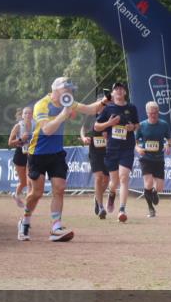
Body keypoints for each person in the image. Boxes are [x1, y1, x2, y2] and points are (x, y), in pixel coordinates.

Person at [19, 77, 108, 241]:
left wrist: (104, 101)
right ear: (56, 90)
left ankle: (56, 227)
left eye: (71, 90)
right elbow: (46, 130)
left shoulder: (68, 102)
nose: (70, 93)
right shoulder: (42, 105)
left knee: (59, 189)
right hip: (37, 154)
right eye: (66, 90)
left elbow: (89, 109)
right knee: (36, 193)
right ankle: (25, 220)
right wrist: (63, 114)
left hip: (57, 154)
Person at [95, 82, 140, 223]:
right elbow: (96, 126)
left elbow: (137, 124)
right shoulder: (107, 109)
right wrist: (109, 124)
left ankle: (122, 210)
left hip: (127, 148)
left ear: (125, 92)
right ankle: (112, 194)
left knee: (124, 177)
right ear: (113, 94)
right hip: (112, 149)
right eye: (116, 89)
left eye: (121, 89)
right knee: (113, 181)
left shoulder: (131, 107)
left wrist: (132, 127)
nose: (119, 91)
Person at [136, 101, 171, 218]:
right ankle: (150, 209)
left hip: (159, 159)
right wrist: (138, 149)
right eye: (151, 113)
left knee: (160, 187)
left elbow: (170, 139)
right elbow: (135, 142)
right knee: (148, 183)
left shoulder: (164, 125)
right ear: (147, 113)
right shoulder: (141, 126)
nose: (154, 115)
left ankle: (154, 192)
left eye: (156, 113)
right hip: (146, 158)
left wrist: (168, 145)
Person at [80, 111, 110, 219]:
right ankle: (101, 207)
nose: (102, 108)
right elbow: (83, 129)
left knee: (106, 180)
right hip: (94, 151)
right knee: (98, 177)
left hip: (108, 152)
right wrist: (84, 138)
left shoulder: (110, 115)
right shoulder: (91, 116)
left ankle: (97, 198)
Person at [8, 106, 33, 208]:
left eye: (29, 113)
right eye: (25, 113)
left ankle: (28, 205)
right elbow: (9, 142)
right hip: (20, 155)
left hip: (31, 155)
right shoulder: (18, 126)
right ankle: (16, 195)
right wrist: (21, 139)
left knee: (29, 181)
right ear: (22, 115)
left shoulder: (35, 126)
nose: (27, 115)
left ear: (32, 115)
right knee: (23, 182)